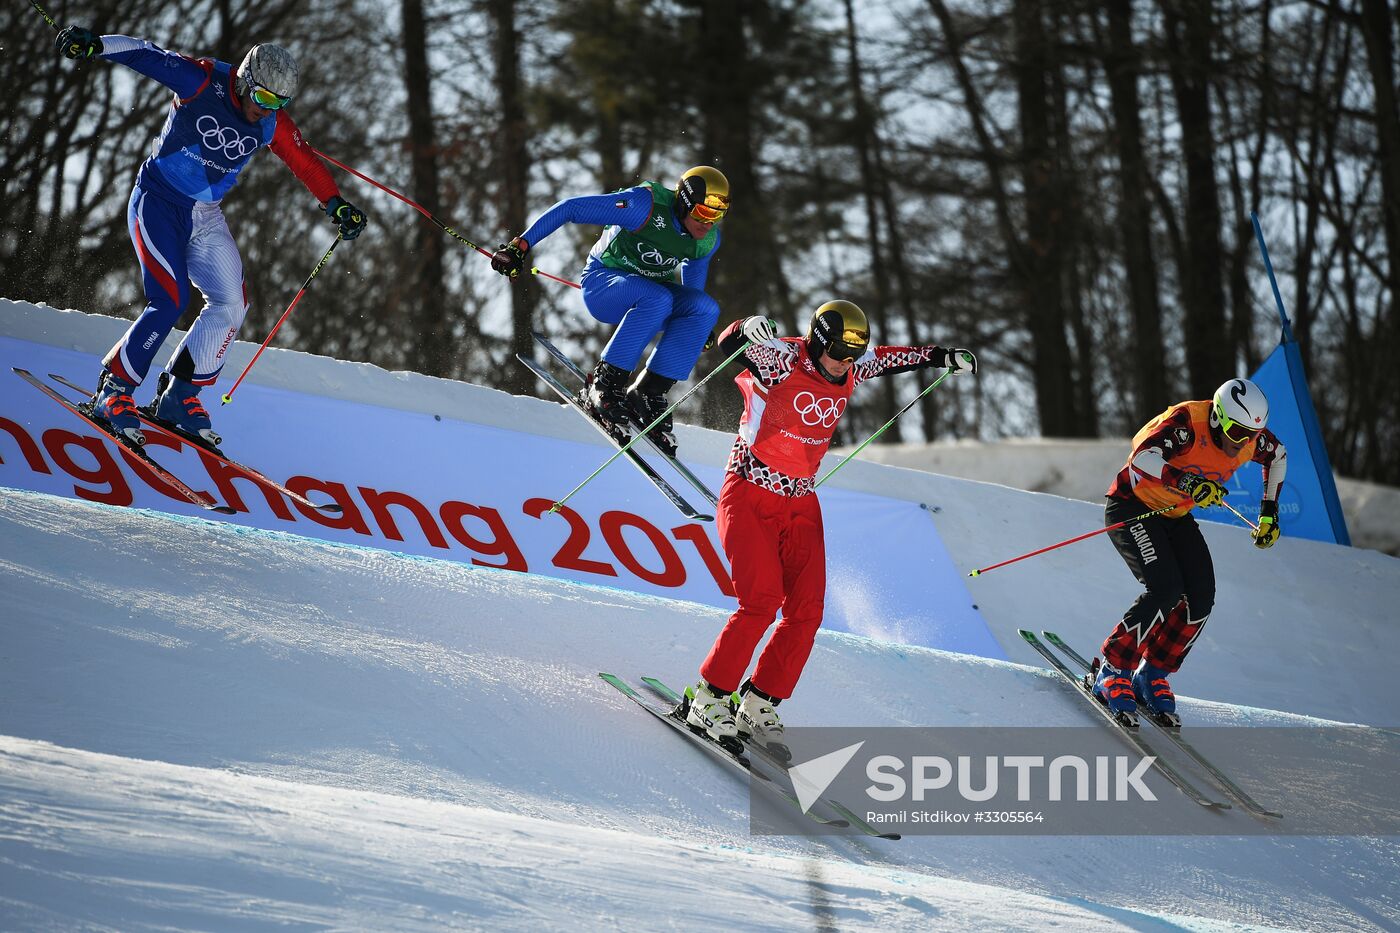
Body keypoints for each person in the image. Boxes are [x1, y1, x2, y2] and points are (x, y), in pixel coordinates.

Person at [679, 300, 977, 757]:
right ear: (819, 340)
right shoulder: (781, 359)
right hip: (750, 492)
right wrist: (747, 325)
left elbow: (891, 358)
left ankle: (758, 701)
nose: (845, 362)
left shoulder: (853, 368)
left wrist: (939, 356)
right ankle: (708, 697)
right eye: (837, 351)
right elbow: (728, 344)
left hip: (800, 501)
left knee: (807, 610)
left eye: (851, 355)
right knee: (760, 601)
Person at [53, 26, 368, 450]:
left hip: (204, 215)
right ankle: (114, 391)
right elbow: (146, 55)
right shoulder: (201, 81)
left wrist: (336, 204)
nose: (267, 110)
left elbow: (305, 163)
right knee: (169, 299)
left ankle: (179, 398)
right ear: (244, 82)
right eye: (263, 98)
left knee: (232, 302)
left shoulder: (272, 122)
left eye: (280, 103)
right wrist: (97, 45)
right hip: (158, 201)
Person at [490, 166, 729, 456]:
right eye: (703, 213)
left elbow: (694, 289)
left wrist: (696, 329)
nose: (708, 223)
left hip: (650, 298)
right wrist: (521, 246)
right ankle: (605, 384)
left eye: (716, 216)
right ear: (684, 202)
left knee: (704, 310)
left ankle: (648, 393)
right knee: (659, 299)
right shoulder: (644, 206)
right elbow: (571, 208)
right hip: (604, 286)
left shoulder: (707, 239)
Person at [1092, 377, 1287, 727]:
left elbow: (1278, 456)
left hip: (1174, 515)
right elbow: (1142, 459)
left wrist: (1269, 511)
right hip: (1132, 506)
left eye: (1252, 435)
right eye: (1238, 433)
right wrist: (1189, 482)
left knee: (1200, 595)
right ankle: (1113, 667)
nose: (1243, 444)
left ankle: (1151, 674)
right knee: (1165, 588)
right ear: (1218, 419)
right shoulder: (1185, 424)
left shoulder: (1251, 440)